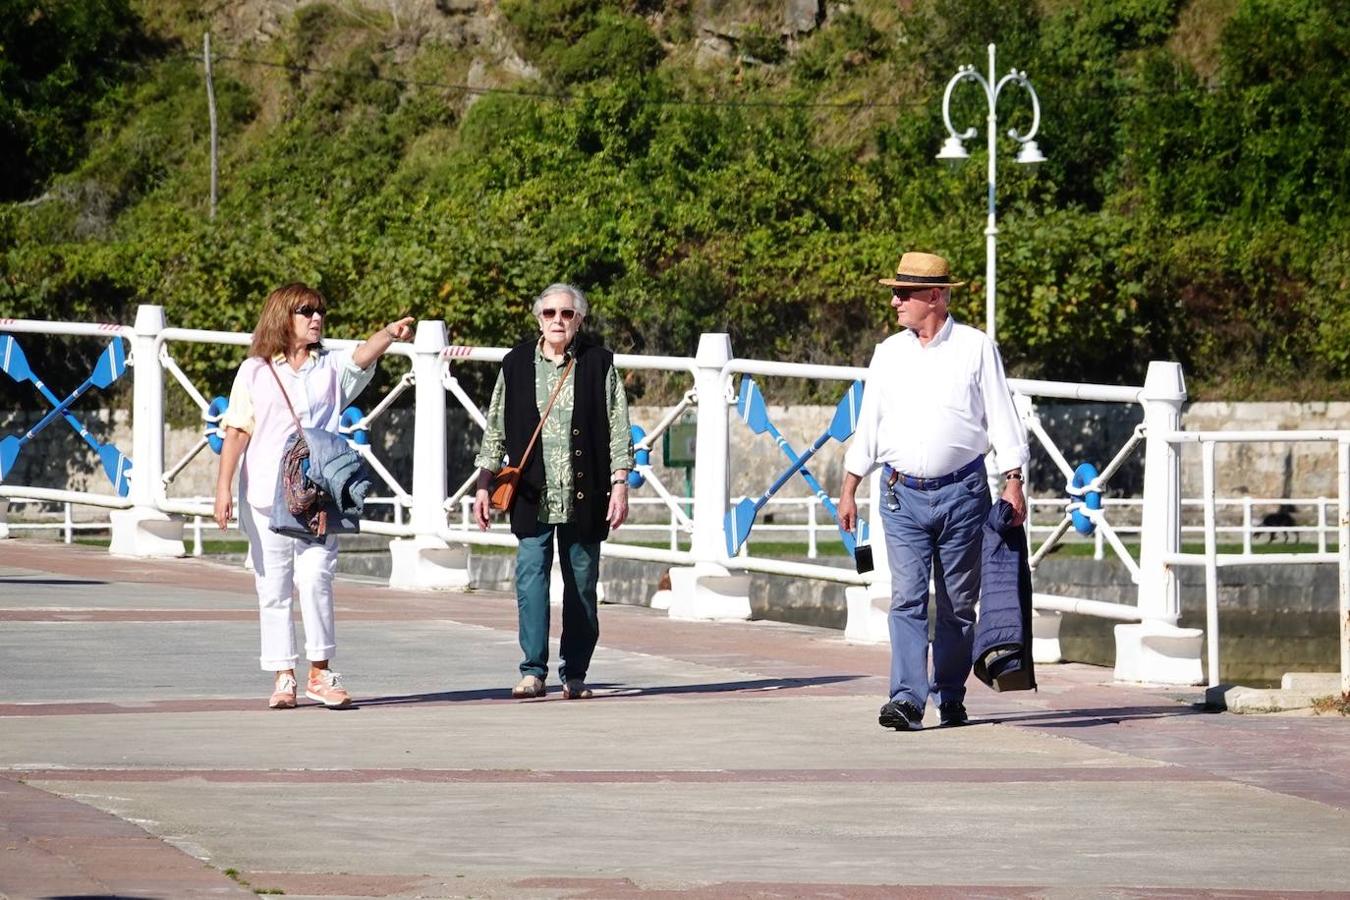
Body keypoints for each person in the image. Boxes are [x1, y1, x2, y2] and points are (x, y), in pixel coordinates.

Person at [837, 252, 1028, 731]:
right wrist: (849, 486)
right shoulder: (888, 353)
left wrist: (1013, 482)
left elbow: (1002, 416)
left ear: (937, 297)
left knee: (958, 605)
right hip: (900, 494)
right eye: (895, 291)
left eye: (905, 292)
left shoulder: (975, 347)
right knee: (906, 597)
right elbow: (869, 425)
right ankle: (905, 698)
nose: (896, 300)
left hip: (963, 494)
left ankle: (950, 693)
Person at [214, 283, 414, 709]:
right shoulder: (254, 370)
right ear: (282, 317)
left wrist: (389, 334)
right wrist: (222, 490)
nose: (316, 318)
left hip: (318, 494)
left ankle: (320, 673)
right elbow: (236, 432)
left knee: (316, 579)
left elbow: (363, 355)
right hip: (266, 493)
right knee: (273, 586)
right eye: (305, 311)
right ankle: (282, 676)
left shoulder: (330, 367)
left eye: (319, 311)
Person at [472, 283, 634, 701]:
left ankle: (575, 673)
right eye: (549, 314)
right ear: (537, 317)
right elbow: (495, 429)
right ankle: (532, 671)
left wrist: (620, 484)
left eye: (566, 314)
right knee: (530, 580)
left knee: (581, 585)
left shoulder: (599, 363)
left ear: (579, 319)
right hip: (531, 495)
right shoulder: (515, 364)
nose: (557, 321)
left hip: (586, 493)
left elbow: (619, 428)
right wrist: (483, 485)